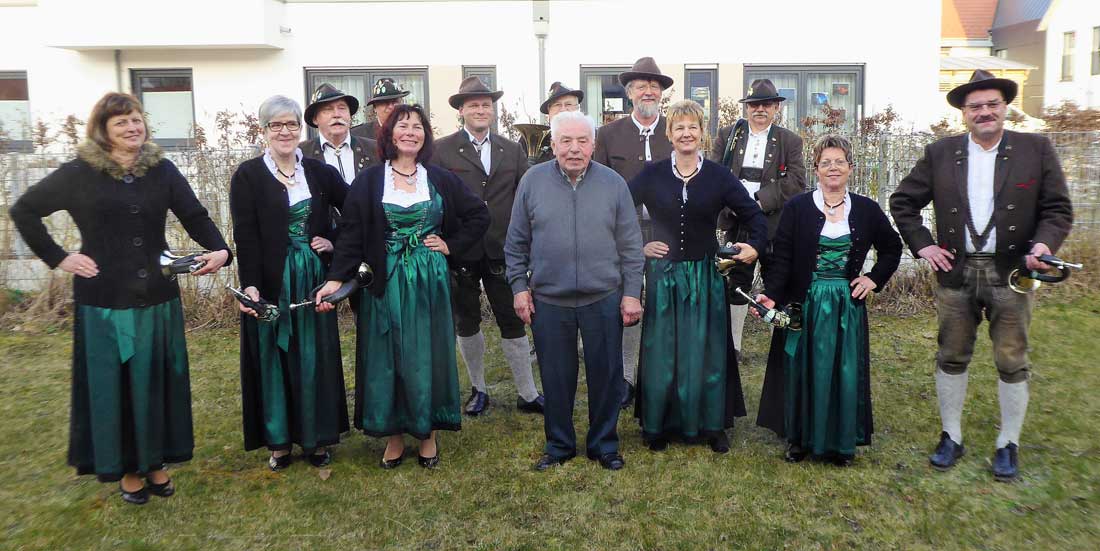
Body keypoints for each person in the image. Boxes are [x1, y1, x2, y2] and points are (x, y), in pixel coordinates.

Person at [8, 92, 231, 504]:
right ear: (103, 131)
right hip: (105, 302)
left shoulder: (161, 170)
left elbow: (194, 214)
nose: (133, 128)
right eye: (121, 123)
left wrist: (221, 249)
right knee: (118, 387)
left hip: (157, 296)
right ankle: (128, 469)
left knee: (156, 382)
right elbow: (24, 209)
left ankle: (156, 462)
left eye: (136, 119)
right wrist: (60, 257)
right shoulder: (79, 173)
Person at [889, 70, 1073, 481]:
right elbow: (903, 202)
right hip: (956, 273)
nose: (984, 112)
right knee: (951, 354)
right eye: (975, 106)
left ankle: (1009, 442)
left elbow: (1057, 210)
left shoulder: (1035, 149)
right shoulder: (941, 153)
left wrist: (1043, 246)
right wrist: (924, 245)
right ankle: (951, 435)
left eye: (992, 104)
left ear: (1005, 107)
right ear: (964, 113)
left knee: (1011, 357)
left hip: (1013, 273)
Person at [316, 104, 489, 469]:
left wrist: (450, 245)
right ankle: (394, 434)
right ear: (389, 134)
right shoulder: (369, 180)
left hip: (429, 280)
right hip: (386, 279)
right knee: (388, 354)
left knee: (427, 353)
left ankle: (427, 433)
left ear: (425, 136)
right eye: (402, 126)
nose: (411, 132)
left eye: (418, 127)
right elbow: (351, 233)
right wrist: (335, 278)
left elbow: (478, 214)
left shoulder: (439, 178)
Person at [505, 110, 644, 471]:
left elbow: (631, 246)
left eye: (582, 141)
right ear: (553, 145)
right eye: (566, 141)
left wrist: (631, 294)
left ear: (593, 145)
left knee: (606, 376)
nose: (574, 149)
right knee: (556, 376)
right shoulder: (532, 182)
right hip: (549, 300)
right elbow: (516, 242)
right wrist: (520, 288)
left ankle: (604, 444)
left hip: (603, 298)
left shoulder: (613, 184)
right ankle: (559, 444)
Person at [627, 100, 766, 453]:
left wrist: (754, 247)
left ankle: (712, 424)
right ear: (669, 134)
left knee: (708, 348)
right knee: (663, 350)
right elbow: (618, 213)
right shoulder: (652, 174)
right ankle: (659, 424)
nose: (686, 133)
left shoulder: (719, 176)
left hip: (705, 273)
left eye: (693, 127)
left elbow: (754, 216)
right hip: (665, 274)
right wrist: (642, 245)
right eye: (679, 127)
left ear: (702, 133)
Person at [755, 135, 901, 466]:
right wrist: (772, 295)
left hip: (845, 306)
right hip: (804, 303)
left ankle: (839, 442)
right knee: (803, 369)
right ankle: (800, 439)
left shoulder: (866, 209)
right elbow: (783, 259)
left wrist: (873, 279)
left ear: (850, 168)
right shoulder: (797, 207)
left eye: (839, 162)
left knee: (842, 370)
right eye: (825, 163)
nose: (832, 168)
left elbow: (892, 247)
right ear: (816, 169)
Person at [229, 95, 350, 471]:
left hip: (313, 280)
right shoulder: (247, 176)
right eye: (276, 125)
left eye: (291, 124)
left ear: (302, 128)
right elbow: (245, 238)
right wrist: (250, 286)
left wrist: (334, 242)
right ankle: (279, 441)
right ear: (263, 131)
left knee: (313, 355)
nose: (285, 132)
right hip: (270, 282)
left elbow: (359, 214)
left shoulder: (320, 173)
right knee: (274, 357)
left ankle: (315, 439)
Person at [431, 76, 543, 415]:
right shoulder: (440, 149)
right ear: (461, 110)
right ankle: (478, 389)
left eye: (486, 104)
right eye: (473, 104)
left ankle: (527, 392)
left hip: (502, 247)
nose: (481, 110)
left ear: (492, 111)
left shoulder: (512, 148)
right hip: (460, 249)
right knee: (467, 321)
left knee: (512, 319)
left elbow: (525, 196)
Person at [593, 56, 675, 409]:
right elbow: (597, 186)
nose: (648, 91)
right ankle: (624, 377)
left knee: (663, 305)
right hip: (620, 235)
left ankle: (658, 375)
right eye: (641, 86)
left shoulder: (675, 131)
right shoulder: (608, 134)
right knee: (624, 304)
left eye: (654, 86)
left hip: (666, 234)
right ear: (629, 93)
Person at [708, 79, 806, 357]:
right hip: (737, 222)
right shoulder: (729, 135)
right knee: (736, 284)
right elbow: (714, 174)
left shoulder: (790, 140)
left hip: (774, 223)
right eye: (754, 105)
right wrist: (733, 204)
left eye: (766, 104)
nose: (760, 109)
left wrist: (758, 201)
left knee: (778, 282)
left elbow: (797, 180)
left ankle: (781, 346)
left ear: (776, 107)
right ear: (747, 108)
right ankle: (734, 346)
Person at [300, 83, 379, 184]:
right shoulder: (302, 153)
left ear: (350, 115)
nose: (336, 115)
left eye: (342, 108)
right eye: (328, 109)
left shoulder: (374, 149)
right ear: (315, 119)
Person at [521, 81, 584, 165]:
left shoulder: (592, 138)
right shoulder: (529, 139)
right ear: (549, 111)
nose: (563, 109)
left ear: (577, 109)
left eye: (568, 104)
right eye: (557, 105)